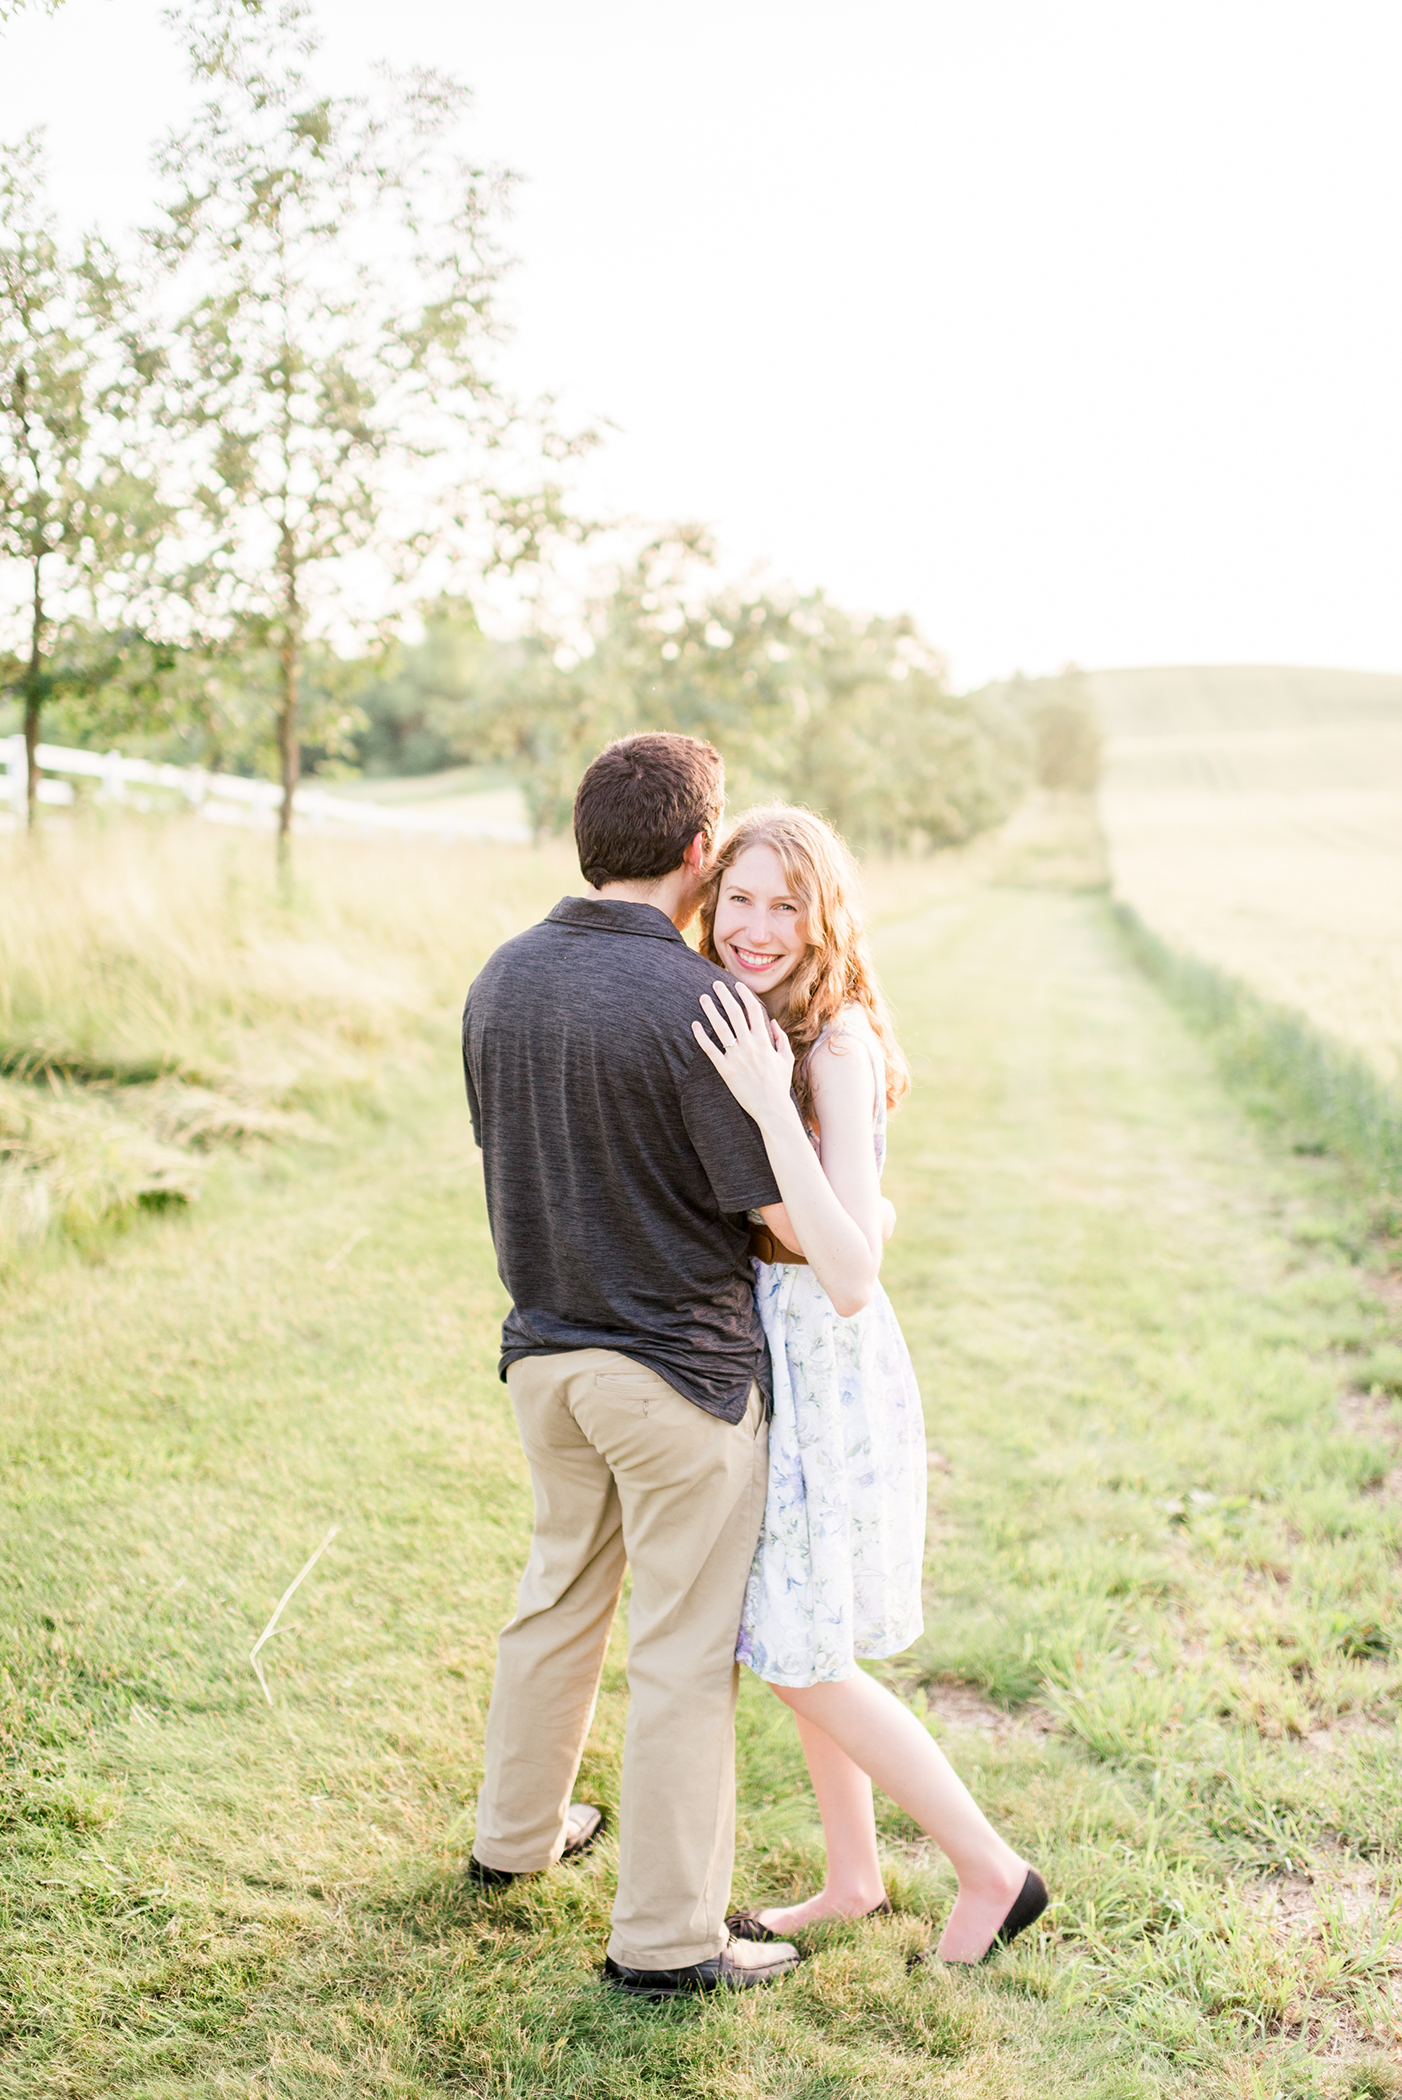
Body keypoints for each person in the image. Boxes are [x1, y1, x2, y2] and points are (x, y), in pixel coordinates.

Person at [460, 733, 803, 1999]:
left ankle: (514, 1838)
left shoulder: (498, 977)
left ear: (583, 835)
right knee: (678, 1654)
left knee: (555, 1599)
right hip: (678, 1382)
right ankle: (667, 1939)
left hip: (545, 1365)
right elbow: (773, 1219)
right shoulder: (702, 1004)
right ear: (700, 854)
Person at [691, 804, 1048, 1964]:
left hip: (826, 1360)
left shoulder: (830, 1040)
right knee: (805, 1637)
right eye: (738, 897)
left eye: (784, 904)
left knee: (800, 1651)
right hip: (775, 1349)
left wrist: (760, 1101)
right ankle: (853, 1878)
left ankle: (992, 1872)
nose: (754, 925)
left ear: (822, 912)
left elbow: (849, 1268)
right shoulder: (758, 1012)